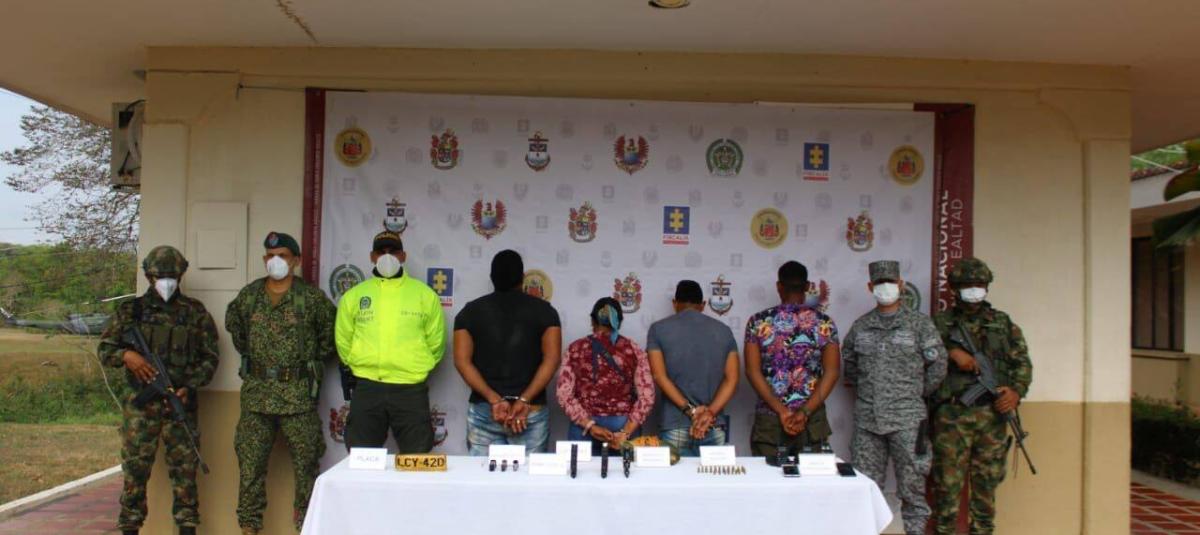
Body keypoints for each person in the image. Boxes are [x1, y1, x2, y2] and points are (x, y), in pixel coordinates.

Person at [98, 245, 219, 535]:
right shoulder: (131, 312)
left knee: (185, 474)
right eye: (159, 276)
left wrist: (189, 385)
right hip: (140, 410)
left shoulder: (195, 313)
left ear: (181, 276)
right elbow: (105, 349)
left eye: (172, 276)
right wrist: (128, 356)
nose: (166, 282)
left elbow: (210, 358)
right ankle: (130, 527)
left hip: (179, 407)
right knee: (135, 474)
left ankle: (187, 529)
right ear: (148, 277)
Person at [225, 232, 336, 534]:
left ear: (296, 260)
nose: (276, 261)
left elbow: (328, 342)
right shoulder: (249, 296)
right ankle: (249, 528)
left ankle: (306, 528)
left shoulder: (312, 299)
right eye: (270, 255)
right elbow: (238, 334)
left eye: (283, 255)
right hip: (257, 398)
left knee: (307, 468)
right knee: (250, 469)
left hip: (297, 398)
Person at [842, 260, 947, 535]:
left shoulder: (919, 325)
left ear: (900, 285)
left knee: (913, 490)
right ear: (870, 287)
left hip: (908, 420)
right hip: (868, 422)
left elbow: (938, 366)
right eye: (879, 283)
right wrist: (871, 394)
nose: (885, 287)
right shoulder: (861, 327)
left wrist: (914, 394)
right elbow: (850, 366)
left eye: (890, 282)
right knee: (865, 490)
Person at [930, 257, 1033, 535]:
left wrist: (1015, 391)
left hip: (992, 415)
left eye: (979, 284)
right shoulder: (940, 323)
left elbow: (1022, 363)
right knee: (946, 487)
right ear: (955, 288)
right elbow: (919, 358)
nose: (974, 290)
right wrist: (950, 353)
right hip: (952, 417)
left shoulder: (1002, 323)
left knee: (986, 487)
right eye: (968, 285)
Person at [335, 230, 446, 452]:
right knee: (361, 457)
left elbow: (436, 343)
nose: (387, 256)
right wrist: (360, 364)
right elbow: (343, 340)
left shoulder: (424, 295)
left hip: (410, 388)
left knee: (416, 458)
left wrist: (413, 368)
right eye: (381, 251)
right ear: (372, 257)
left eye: (393, 251)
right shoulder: (354, 296)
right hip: (367, 386)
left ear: (403, 256)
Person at [453, 250, 562, 454]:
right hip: (529, 411)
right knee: (529, 474)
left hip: (486, 409)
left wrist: (494, 399)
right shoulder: (546, 312)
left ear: (491, 278)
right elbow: (552, 359)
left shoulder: (469, 312)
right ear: (522, 278)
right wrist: (524, 399)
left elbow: (461, 361)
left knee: (481, 472)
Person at [744, 261, 840, 456]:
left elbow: (752, 371)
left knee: (768, 475)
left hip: (770, 419)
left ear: (779, 286)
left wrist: (782, 411)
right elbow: (832, 372)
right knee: (812, 476)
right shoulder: (824, 323)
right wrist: (804, 412)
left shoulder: (758, 322)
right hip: (811, 418)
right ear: (807, 286)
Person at [646, 280, 739, 456]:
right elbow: (732, 379)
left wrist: (691, 411)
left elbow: (659, 376)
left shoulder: (658, 329)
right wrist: (709, 413)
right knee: (714, 474)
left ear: (675, 303)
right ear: (703, 305)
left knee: (676, 474)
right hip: (712, 423)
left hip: (675, 423)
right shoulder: (724, 331)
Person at [556, 297, 655, 454]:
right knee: (625, 470)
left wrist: (590, 425)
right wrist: (625, 432)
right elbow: (647, 397)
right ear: (619, 322)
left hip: (584, 426)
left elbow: (563, 394)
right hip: (623, 424)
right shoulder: (633, 349)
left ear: (592, 321)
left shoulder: (575, 349)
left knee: (580, 469)